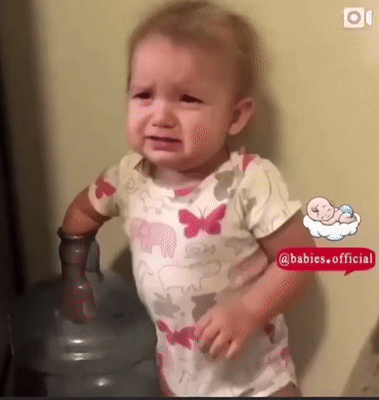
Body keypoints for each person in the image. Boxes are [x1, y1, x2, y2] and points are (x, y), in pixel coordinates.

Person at [59, 0, 316, 396]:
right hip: (178, 375)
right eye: (144, 95)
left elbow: (300, 259)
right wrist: (76, 274)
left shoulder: (248, 181)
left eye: (189, 99)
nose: (161, 116)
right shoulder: (127, 178)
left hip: (256, 381)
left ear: (235, 116)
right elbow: (82, 212)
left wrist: (250, 311)